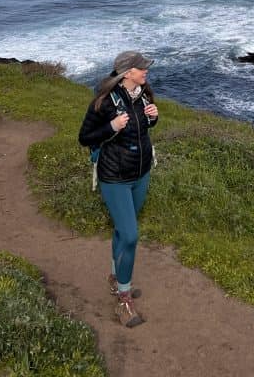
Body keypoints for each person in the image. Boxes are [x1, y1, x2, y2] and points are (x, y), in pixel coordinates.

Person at [78, 50, 159, 328]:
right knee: (131, 235)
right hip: (114, 177)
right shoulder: (104, 102)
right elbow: (84, 137)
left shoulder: (144, 94)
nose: (146, 71)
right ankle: (124, 300)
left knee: (122, 231)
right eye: (141, 68)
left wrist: (153, 117)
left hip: (141, 173)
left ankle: (115, 278)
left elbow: (143, 127)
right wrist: (111, 125)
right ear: (128, 73)